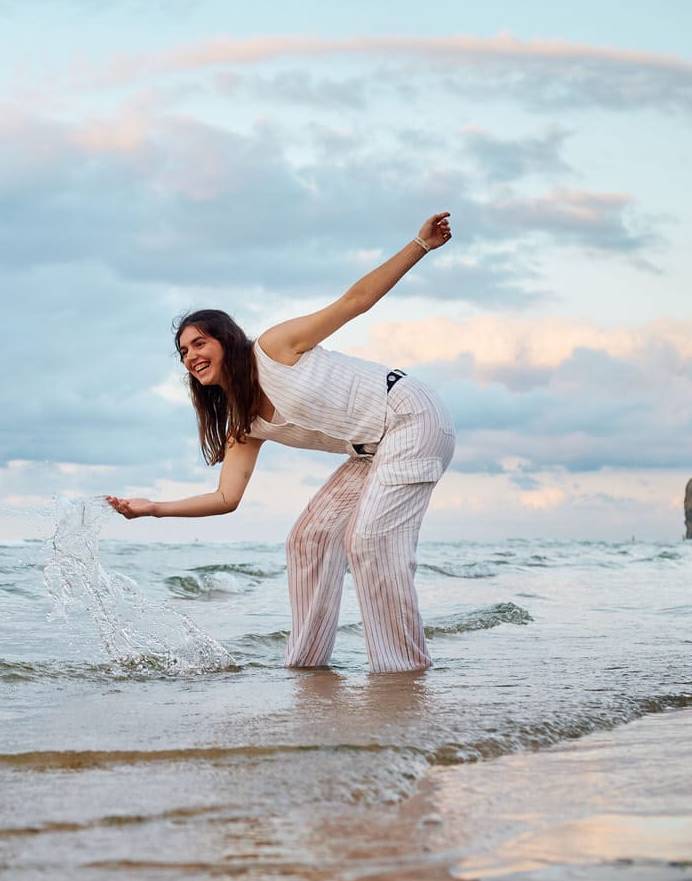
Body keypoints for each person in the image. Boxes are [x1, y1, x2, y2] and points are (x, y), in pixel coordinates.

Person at [106, 213, 457, 674]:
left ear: (227, 341)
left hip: (412, 415)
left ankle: (402, 671)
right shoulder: (243, 420)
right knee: (307, 539)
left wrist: (420, 244)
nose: (190, 356)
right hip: (372, 448)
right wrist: (153, 508)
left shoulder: (274, 348)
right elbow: (226, 497)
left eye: (199, 343)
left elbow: (356, 301)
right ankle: (306, 665)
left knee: (368, 539)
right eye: (183, 351)